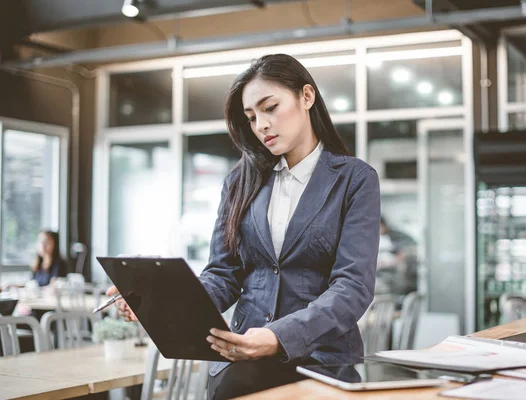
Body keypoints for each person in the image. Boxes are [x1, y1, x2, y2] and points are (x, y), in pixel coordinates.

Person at [107, 54, 381, 399]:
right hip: (241, 361)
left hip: (321, 364)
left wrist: (278, 336)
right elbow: (223, 275)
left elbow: (353, 287)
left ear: (306, 97)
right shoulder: (240, 182)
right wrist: (159, 301)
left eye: (270, 107)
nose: (261, 125)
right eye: (251, 117)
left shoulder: (354, 180)